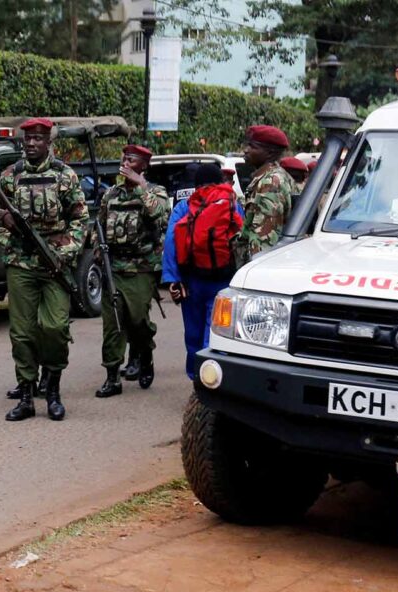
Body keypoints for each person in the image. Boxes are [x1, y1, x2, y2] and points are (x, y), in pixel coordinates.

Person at [0, 118, 88, 422]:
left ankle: (52, 390)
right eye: (27, 139)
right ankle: (26, 395)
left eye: (38, 139)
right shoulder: (10, 175)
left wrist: (64, 252)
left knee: (55, 327)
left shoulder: (64, 175)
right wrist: (4, 218)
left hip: (54, 262)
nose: (31, 144)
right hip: (21, 263)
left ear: (49, 142)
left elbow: (80, 220)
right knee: (22, 332)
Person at [94, 144, 169, 398]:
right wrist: (98, 254)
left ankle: (145, 354)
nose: (125, 161)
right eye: (124, 157)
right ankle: (112, 376)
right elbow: (100, 225)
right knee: (113, 323)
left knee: (138, 321)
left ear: (144, 166)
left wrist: (140, 185)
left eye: (132, 159)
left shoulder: (156, 192)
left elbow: (159, 215)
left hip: (141, 267)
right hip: (114, 266)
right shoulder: (111, 194)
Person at [162, 163, 240, 380]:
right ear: (219, 182)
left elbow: (170, 242)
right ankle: (213, 379)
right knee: (216, 332)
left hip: (191, 282)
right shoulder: (231, 203)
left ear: (195, 185)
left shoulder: (185, 206)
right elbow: (240, 239)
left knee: (193, 334)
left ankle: (195, 376)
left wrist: (173, 279)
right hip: (223, 281)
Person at [239, 125, 297, 267]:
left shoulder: (270, 183)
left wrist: (253, 269)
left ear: (269, 153)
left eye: (253, 146)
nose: (246, 150)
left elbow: (263, 241)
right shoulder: (276, 176)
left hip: (262, 266)